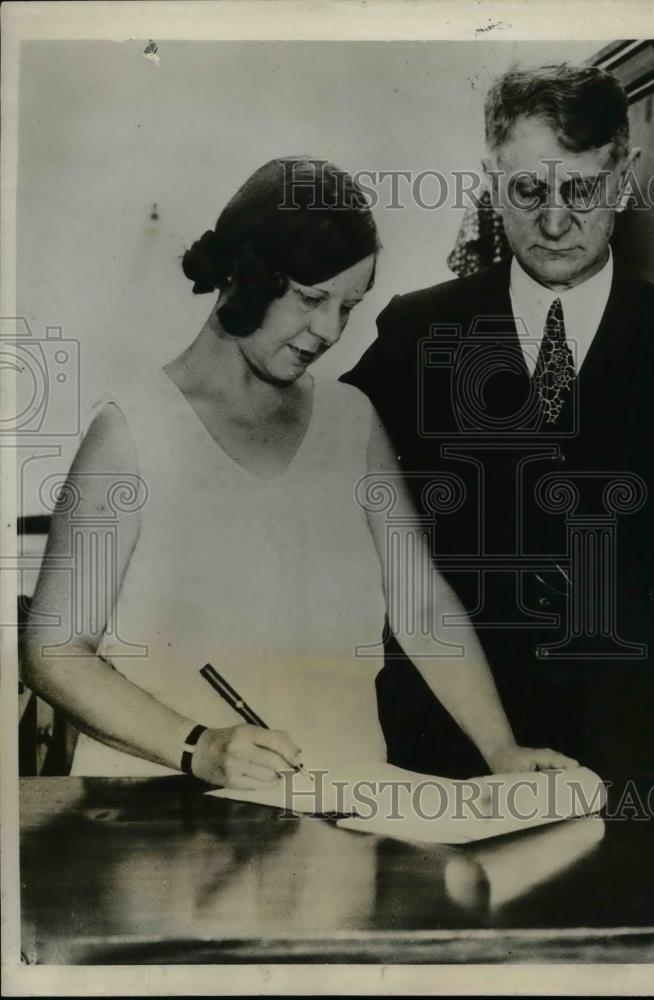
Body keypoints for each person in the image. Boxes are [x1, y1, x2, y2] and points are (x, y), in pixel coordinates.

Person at [21, 157, 575, 789]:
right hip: (162, 817)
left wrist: (500, 750)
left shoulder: (352, 420)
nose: (330, 330)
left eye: (348, 306)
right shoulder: (131, 433)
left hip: (342, 815)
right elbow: (53, 651)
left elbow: (422, 606)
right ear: (244, 274)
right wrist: (198, 747)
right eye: (312, 298)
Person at [343, 65, 654, 788]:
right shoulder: (417, 331)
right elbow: (320, 480)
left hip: (649, 755)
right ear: (491, 180)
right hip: (452, 757)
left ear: (623, 176)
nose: (553, 222)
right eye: (527, 190)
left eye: (579, 189)